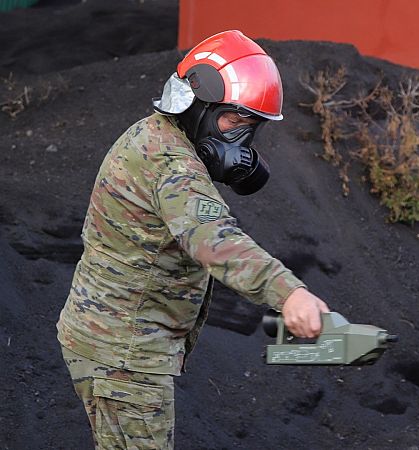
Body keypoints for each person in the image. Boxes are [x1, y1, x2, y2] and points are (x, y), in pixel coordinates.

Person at [56, 30, 329, 449]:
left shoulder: (154, 132)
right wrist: (289, 294)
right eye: (234, 120)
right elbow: (215, 240)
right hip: (126, 355)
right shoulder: (173, 165)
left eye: (251, 127)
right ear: (195, 104)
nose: (240, 140)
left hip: (113, 341)